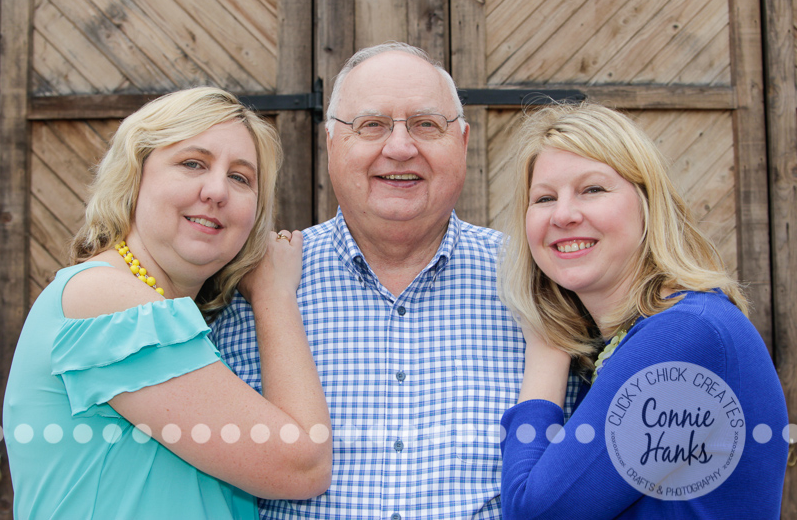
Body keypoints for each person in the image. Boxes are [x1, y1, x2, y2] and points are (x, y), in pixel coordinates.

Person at [211, 42, 580, 519]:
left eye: (427, 125)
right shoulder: (250, 282)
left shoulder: (541, 280)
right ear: (330, 144)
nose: (401, 147)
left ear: (463, 143)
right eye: (372, 125)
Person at [3, 87, 332, 519]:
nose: (217, 191)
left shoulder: (175, 319)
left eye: (240, 177)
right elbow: (301, 464)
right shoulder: (106, 300)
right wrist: (273, 295)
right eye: (192, 163)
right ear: (135, 176)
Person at [498, 102, 788, 519]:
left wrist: (546, 352)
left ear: (648, 204)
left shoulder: (685, 335)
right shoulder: (638, 336)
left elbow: (536, 513)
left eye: (592, 189)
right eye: (544, 198)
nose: (562, 214)